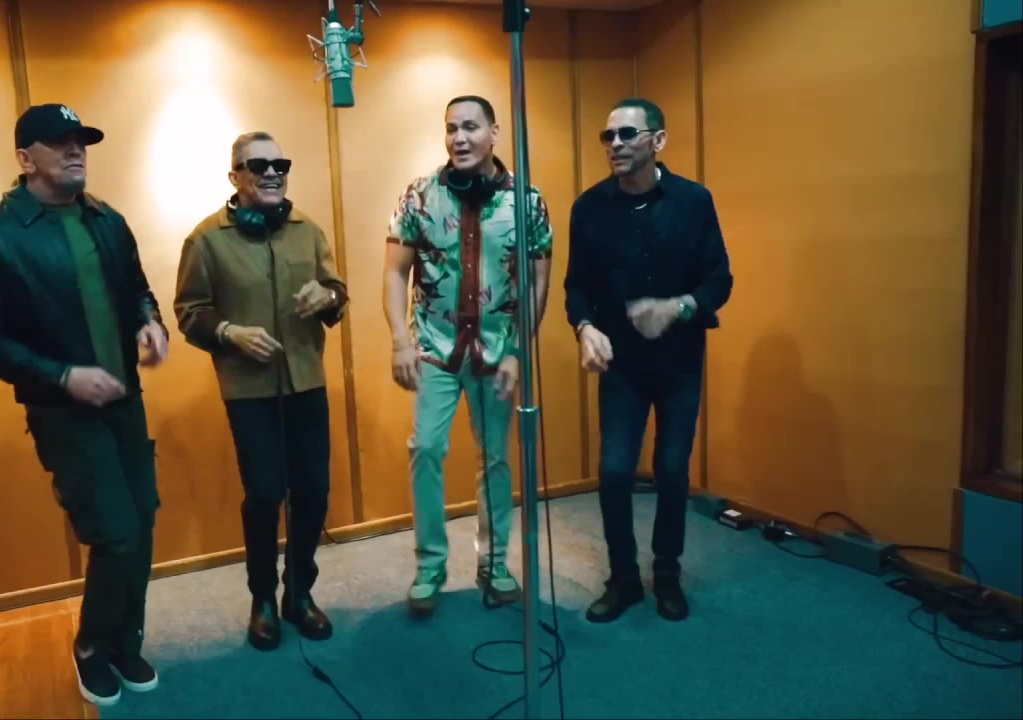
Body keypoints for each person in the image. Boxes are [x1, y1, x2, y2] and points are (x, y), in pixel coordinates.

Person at [0, 104, 169, 707]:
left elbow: (138, 289)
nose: (76, 151)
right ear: (26, 159)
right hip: (62, 412)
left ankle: (125, 642)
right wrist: (62, 375)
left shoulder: (107, 219)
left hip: (124, 400)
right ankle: (92, 648)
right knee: (116, 533)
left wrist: (150, 323)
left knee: (142, 522)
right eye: (59, 142)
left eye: (81, 141)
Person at [173, 131, 348, 651]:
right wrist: (230, 333)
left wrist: (328, 297)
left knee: (313, 491)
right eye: (258, 165)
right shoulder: (206, 240)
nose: (272, 173)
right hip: (248, 392)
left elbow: (338, 292)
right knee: (266, 494)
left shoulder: (307, 230)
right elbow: (189, 313)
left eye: (280, 164)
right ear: (235, 177)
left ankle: (299, 592)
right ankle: (263, 598)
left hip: (306, 382)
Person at [564, 97, 733, 623]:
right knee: (615, 471)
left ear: (657, 141)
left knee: (672, 471)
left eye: (626, 134)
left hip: (680, 361)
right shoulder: (589, 207)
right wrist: (585, 327)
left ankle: (666, 574)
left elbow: (719, 280)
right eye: (608, 136)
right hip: (621, 365)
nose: (614, 144)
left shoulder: (694, 201)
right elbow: (576, 286)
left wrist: (679, 307)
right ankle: (623, 579)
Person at [383, 96, 554, 617]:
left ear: (494, 133)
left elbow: (537, 281)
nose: (459, 138)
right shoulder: (419, 195)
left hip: (497, 352)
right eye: (451, 128)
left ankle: (494, 563)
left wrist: (519, 350)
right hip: (436, 349)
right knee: (426, 449)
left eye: (471, 127)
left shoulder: (527, 201)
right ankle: (430, 567)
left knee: (494, 458)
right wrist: (400, 340)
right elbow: (395, 272)